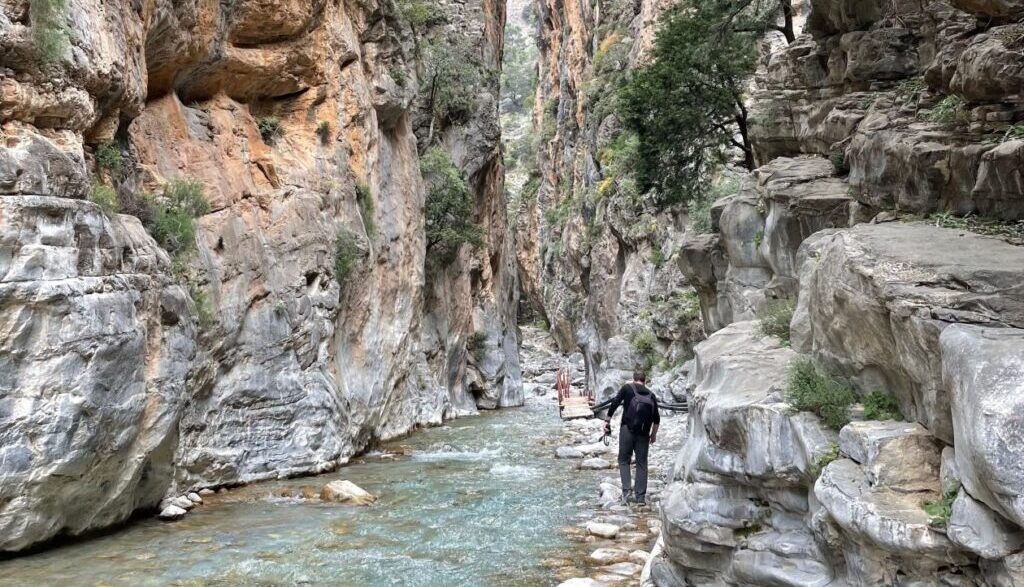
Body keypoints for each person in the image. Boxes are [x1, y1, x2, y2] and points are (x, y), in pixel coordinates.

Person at [605, 369, 659, 506]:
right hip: (644, 433)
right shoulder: (651, 395)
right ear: (645, 380)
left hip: (627, 430)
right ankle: (640, 498)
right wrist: (653, 435)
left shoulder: (627, 388)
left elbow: (615, 403)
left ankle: (627, 492)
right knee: (641, 463)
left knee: (623, 460)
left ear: (633, 378)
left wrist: (607, 420)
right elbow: (657, 419)